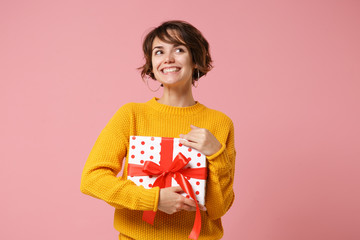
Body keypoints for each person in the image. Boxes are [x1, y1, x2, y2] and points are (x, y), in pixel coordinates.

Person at [80, 20, 236, 240]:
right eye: (159, 52)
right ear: (151, 64)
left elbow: (219, 208)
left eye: (179, 49)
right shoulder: (131, 115)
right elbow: (91, 179)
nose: (168, 59)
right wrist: (154, 199)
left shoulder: (220, 123)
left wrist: (216, 154)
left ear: (196, 60)